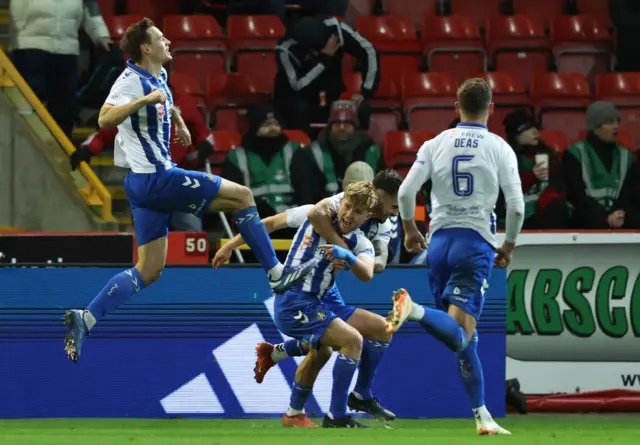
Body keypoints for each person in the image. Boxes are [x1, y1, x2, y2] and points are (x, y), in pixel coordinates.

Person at [62, 18, 319, 363]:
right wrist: (144, 100)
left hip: (140, 185)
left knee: (149, 270)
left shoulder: (158, 77)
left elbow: (163, 101)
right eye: (160, 38)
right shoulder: (130, 81)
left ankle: (86, 318)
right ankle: (277, 275)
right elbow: (105, 120)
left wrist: (177, 119)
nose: (168, 40)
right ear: (145, 48)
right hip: (158, 178)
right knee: (243, 196)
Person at [388, 78, 525, 435]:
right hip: (475, 243)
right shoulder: (499, 147)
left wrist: (409, 229)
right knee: (461, 334)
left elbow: (405, 192)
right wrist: (508, 245)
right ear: (491, 108)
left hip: (438, 244)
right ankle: (413, 310)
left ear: (456, 106)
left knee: (465, 338)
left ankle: (482, 417)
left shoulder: (434, 144)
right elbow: (516, 205)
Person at [213, 169, 402, 425]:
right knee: (349, 340)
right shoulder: (313, 213)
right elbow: (267, 224)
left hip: (322, 298)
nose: (349, 214)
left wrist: (347, 256)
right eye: (347, 206)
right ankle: (336, 416)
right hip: (294, 300)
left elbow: (369, 271)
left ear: (367, 215)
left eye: (357, 212)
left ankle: (295, 408)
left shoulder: (361, 240)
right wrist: (229, 245)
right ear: (341, 199)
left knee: (369, 333)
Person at [71, 85, 214, 232]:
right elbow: (105, 134)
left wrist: (205, 145)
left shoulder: (184, 105)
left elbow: (205, 134)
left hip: (182, 182)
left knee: (190, 233)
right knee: (146, 234)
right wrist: (87, 149)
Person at [10, 0, 113, 136]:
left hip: (67, 50)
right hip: (30, 47)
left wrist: (101, 36)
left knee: (65, 109)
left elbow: (89, 7)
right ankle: (25, 146)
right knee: (31, 100)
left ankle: (61, 152)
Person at [274, 17, 379, 131]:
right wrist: (324, 60)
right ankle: (303, 146)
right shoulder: (285, 47)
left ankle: (358, 146)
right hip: (299, 97)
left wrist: (365, 92)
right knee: (299, 109)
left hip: (331, 93)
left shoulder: (335, 30)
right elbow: (297, 85)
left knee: (362, 108)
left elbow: (370, 51)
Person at [564, 101, 640, 229]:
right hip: (587, 217)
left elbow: (630, 193)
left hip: (621, 216)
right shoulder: (575, 154)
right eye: (609, 122)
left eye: (617, 121)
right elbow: (576, 195)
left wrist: (618, 214)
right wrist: (605, 217)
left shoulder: (626, 156)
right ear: (595, 127)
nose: (616, 126)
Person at [291, 100, 384, 204]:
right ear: (330, 126)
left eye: (347, 123)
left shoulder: (371, 151)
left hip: (363, 212)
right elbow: (306, 192)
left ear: (355, 126)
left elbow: (382, 190)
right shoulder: (311, 153)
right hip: (324, 212)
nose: (342, 127)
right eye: (337, 123)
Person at [221, 104, 301, 217]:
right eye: (267, 125)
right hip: (255, 220)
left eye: (276, 124)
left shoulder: (293, 151)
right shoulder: (237, 157)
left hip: (291, 220)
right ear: (254, 127)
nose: (273, 128)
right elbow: (232, 198)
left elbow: (306, 191)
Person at [502, 109, 570, 229]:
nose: (534, 132)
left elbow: (561, 182)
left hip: (548, 209)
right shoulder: (507, 156)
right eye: (527, 129)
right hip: (521, 215)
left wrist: (549, 197)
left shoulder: (548, 153)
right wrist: (531, 177)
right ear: (516, 136)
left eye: (534, 127)